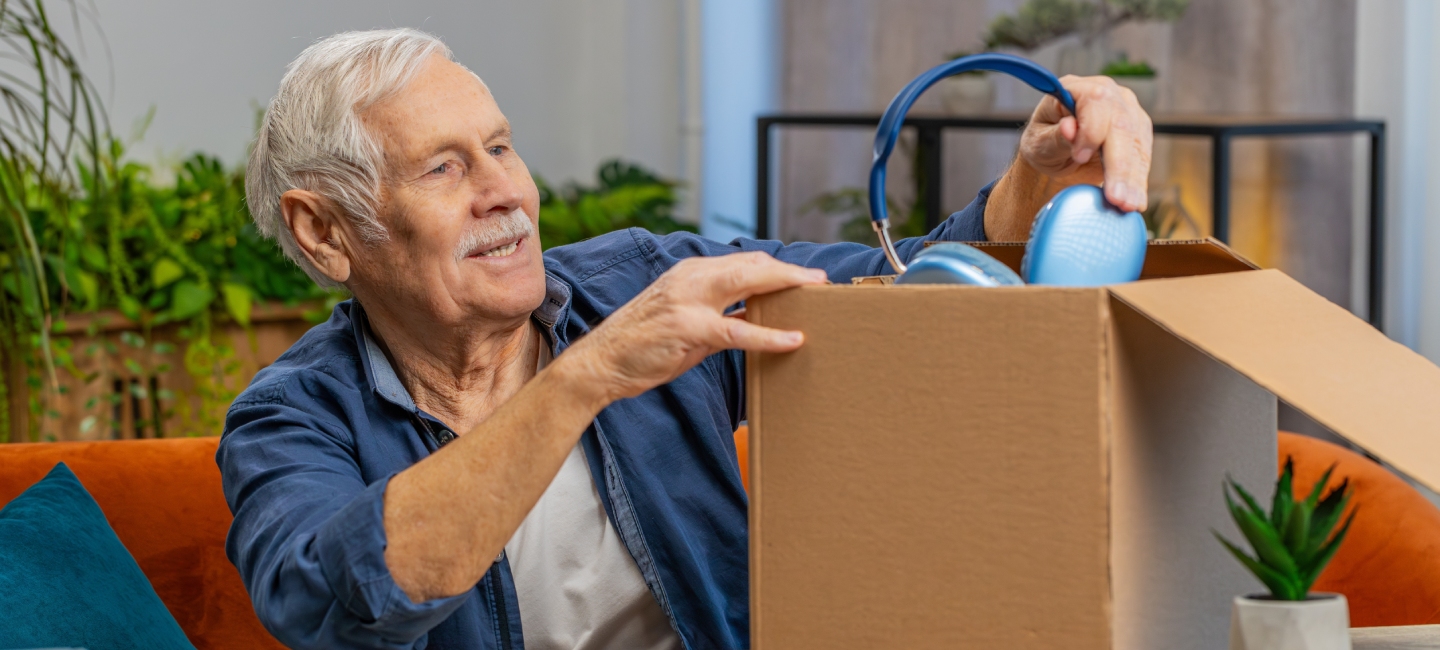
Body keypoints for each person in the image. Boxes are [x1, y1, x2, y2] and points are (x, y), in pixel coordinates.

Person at [220, 28, 1153, 650]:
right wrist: (588, 376)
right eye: (443, 167)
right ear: (325, 233)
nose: (502, 191)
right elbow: (346, 599)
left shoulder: (637, 281)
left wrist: (1037, 178)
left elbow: (901, 290)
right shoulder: (289, 423)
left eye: (501, 148)